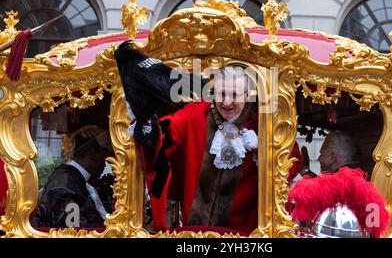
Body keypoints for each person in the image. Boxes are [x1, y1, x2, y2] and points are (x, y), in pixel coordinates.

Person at [115, 41, 300, 235]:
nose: (227, 102)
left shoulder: (265, 123)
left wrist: (264, 151)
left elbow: (291, 161)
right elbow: (166, 134)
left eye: (234, 95)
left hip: (246, 234)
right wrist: (145, 120)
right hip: (195, 234)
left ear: (247, 95)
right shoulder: (196, 114)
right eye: (221, 94)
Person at [32, 125, 113, 228]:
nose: (105, 164)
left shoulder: (74, 179)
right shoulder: (66, 185)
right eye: (104, 157)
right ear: (93, 154)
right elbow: (74, 230)